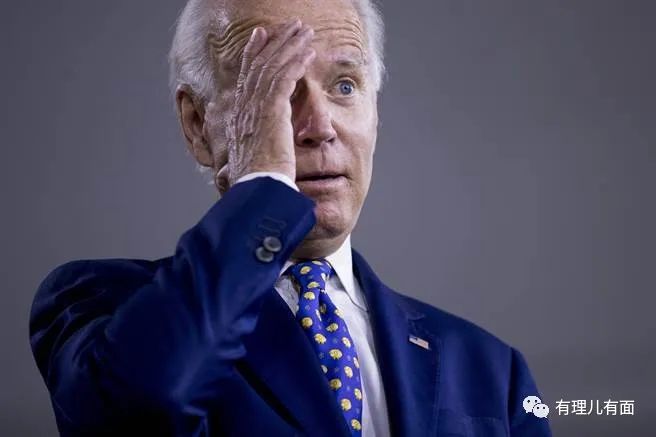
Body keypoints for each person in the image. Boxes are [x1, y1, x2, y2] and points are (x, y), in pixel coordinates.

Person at [29, 0, 552, 436]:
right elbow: (146, 404)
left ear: (375, 111)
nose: (319, 125)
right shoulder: (102, 305)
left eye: (344, 86)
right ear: (197, 124)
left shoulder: (491, 369)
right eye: (275, 88)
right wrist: (264, 181)